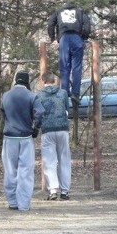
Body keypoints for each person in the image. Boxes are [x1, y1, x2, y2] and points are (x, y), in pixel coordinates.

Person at [0, 71, 45, 212]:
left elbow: (3, 113)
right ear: (27, 82)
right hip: (25, 138)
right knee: (25, 171)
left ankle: (12, 202)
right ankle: (24, 204)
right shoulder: (32, 96)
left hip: (9, 137)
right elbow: (40, 113)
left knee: (10, 170)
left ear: (15, 80)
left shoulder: (5, 96)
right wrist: (36, 127)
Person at [47, 3, 91, 104]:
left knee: (64, 68)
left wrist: (53, 38)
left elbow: (50, 24)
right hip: (77, 38)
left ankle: (65, 92)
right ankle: (75, 94)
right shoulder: (80, 11)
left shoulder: (58, 12)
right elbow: (87, 26)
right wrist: (84, 37)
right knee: (77, 68)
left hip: (64, 39)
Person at [38, 72, 71, 201]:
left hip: (47, 130)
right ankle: (65, 191)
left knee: (49, 161)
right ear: (54, 80)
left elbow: (38, 112)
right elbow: (67, 109)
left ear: (43, 81)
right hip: (63, 128)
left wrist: (37, 126)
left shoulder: (39, 95)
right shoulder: (63, 93)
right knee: (64, 160)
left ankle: (52, 190)